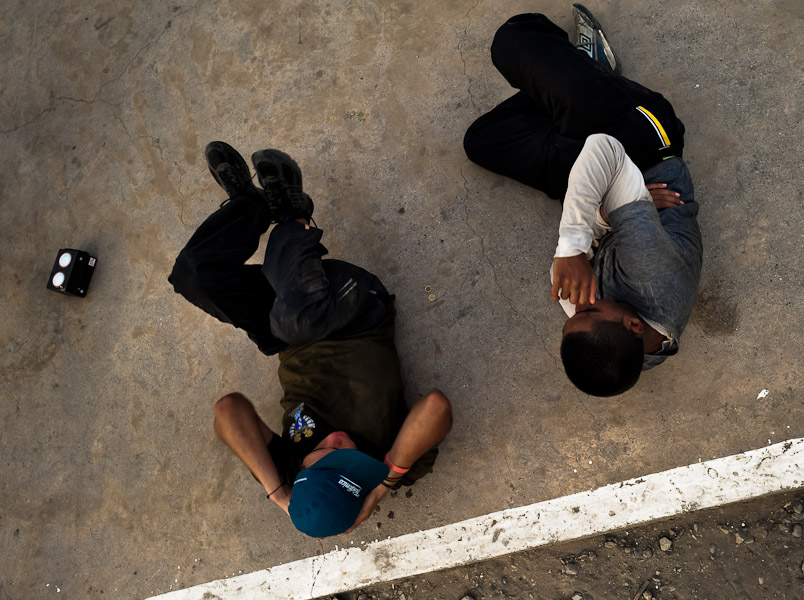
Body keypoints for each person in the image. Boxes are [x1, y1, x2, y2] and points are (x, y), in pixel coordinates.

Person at [168, 142, 452, 537]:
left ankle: (250, 206)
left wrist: (279, 494)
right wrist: (383, 484)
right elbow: (436, 408)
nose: (339, 443)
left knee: (194, 276)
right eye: (349, 461)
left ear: (301, 470)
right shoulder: (389, 464)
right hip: (356, 308)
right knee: (297, 320)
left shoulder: (285, 471)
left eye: (325, 456)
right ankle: (292, 213)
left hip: (288, 329)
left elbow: (229, 411)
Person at [464, 7, 702, 397]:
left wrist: (605, 217)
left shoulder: (622, 347)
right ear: (635, 325)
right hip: (644, 143)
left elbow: (566, 282)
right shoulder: (653, 277)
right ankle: (591, 70)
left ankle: (577, 87)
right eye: (590, 309)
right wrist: (573, 246)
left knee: (483, 140)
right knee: (513, 40)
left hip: (607, 191)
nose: (579, 305)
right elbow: (603, 149)